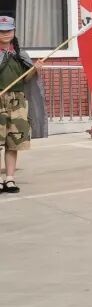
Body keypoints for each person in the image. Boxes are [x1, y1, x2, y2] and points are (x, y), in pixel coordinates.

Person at [0, 16, 48, 192]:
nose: (5, 33)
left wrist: (35, 69)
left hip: (17, 102)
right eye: (1, 31)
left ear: (14, 31)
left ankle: (10, 178)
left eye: (9, 30)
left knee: (14, 141)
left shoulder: (20, 54)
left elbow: (25, 79)